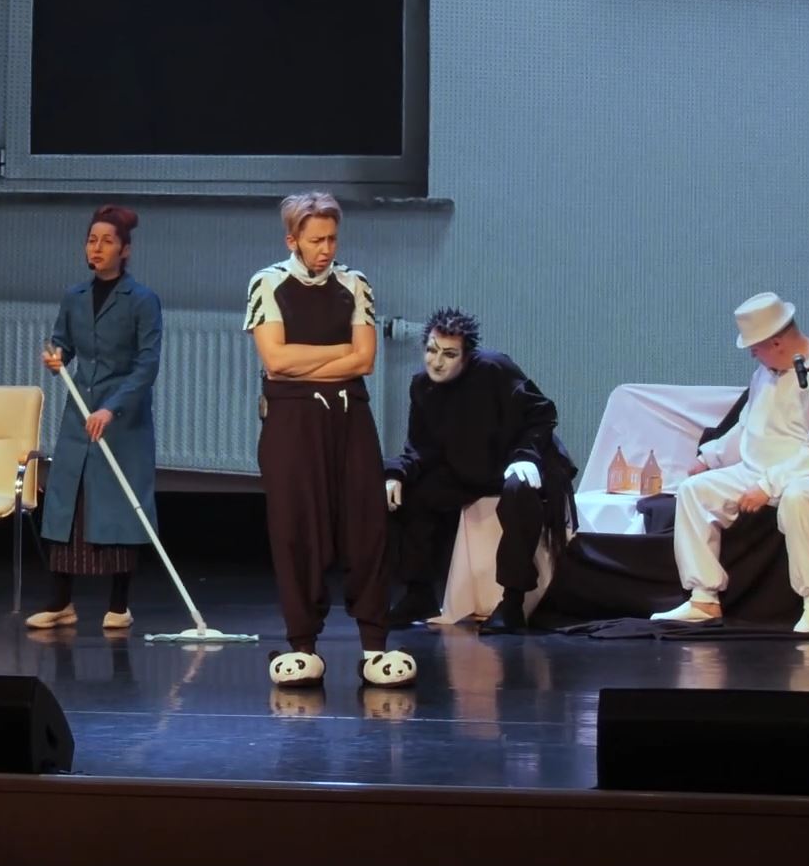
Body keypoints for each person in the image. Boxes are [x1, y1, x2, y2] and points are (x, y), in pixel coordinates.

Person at [246, 192, 416, 688]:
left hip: (349, 417)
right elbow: (275, 361)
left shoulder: (354, 284)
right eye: (316, 240)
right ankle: (302, 645)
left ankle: (374, 645)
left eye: (332, 239)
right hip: (292, 423)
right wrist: (338, 352)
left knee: (367, 524)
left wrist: (310, 361)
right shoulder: (268, 283)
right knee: (297, 527)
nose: (325, 249)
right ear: (292, 240)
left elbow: (365, 360)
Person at [652, 292, 809, 634]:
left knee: (798, 496)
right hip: (759, 468)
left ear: (777, 342)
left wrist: (769, 485)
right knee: (694, 490)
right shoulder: (765, 373)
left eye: (755, 348)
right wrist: (710, 457)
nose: (753, 354)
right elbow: (747, 425)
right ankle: (704, 599)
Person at [382, 308, 578, 634]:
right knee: (409, 491)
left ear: (466, 356)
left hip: (520, 461)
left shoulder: (494, 369)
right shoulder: (422, 385)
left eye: (449, 354)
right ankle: (419, 593)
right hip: (471, 468)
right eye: (431, 351)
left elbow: (542, 412)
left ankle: (512, 602)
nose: (437, 362)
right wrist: (396, 473)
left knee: (518, 490)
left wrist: (526, 457)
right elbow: (420, 447)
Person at [30, 205, 164, 631]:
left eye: (107, 241)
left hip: (122, 419)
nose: (97, 248)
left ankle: (119, 605)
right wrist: (55, 357)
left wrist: (112, 407)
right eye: (92, 240)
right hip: (79, 415)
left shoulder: (142, 300)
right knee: (68, 504)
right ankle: (60, 602)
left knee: (120, 505)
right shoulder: (74, 296)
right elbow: (61, 342)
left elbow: (146, 365)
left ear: (125, 250)